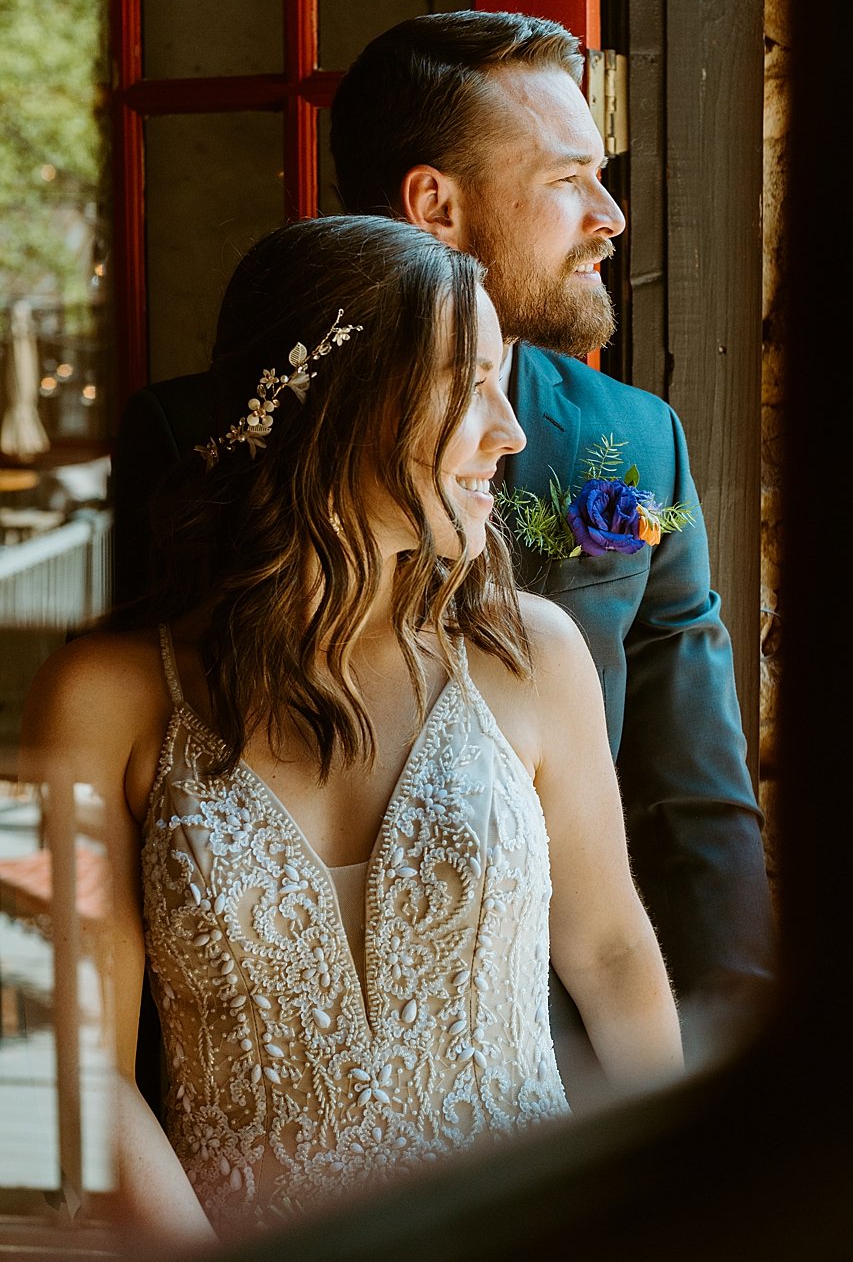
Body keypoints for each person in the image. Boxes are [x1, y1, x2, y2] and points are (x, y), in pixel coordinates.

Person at [112, 12, 774, 1062]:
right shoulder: (197, 440)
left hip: (577, 1056)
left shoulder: (633, 443)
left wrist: (736, 1053)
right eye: (568, 180)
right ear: (437, 207)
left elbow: (693, 782)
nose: (610, 216)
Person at [27, 216, 680, 1240]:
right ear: (337, 406)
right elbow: (76, 1069)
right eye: (468, 383)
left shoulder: (533, 657)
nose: (507, 429)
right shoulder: (103, 698)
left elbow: (609, 953)